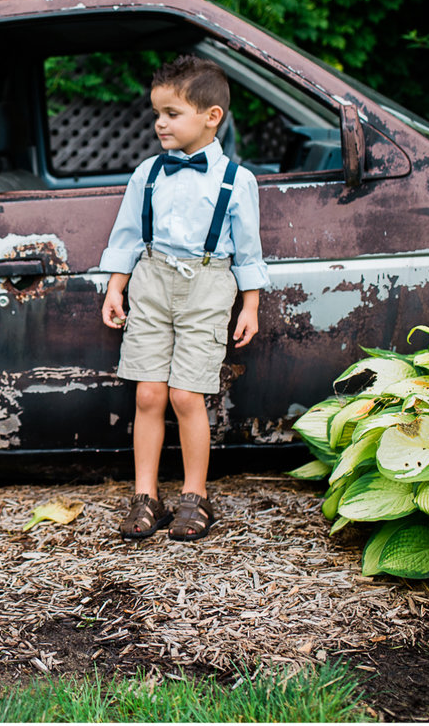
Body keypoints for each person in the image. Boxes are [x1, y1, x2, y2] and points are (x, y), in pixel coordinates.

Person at [97, 55, 266, 542]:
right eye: (157, 113)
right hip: (150, 281)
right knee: (148, 393)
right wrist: (115, 286)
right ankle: (146, 495)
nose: (160, 123)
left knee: (186, 394)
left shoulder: (237, 180)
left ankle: (196, 496)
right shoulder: (147, 173)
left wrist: (250, 305)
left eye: (172, 113)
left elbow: (248, 251)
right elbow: (127, 235)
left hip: (209, 285)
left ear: (211, 116)